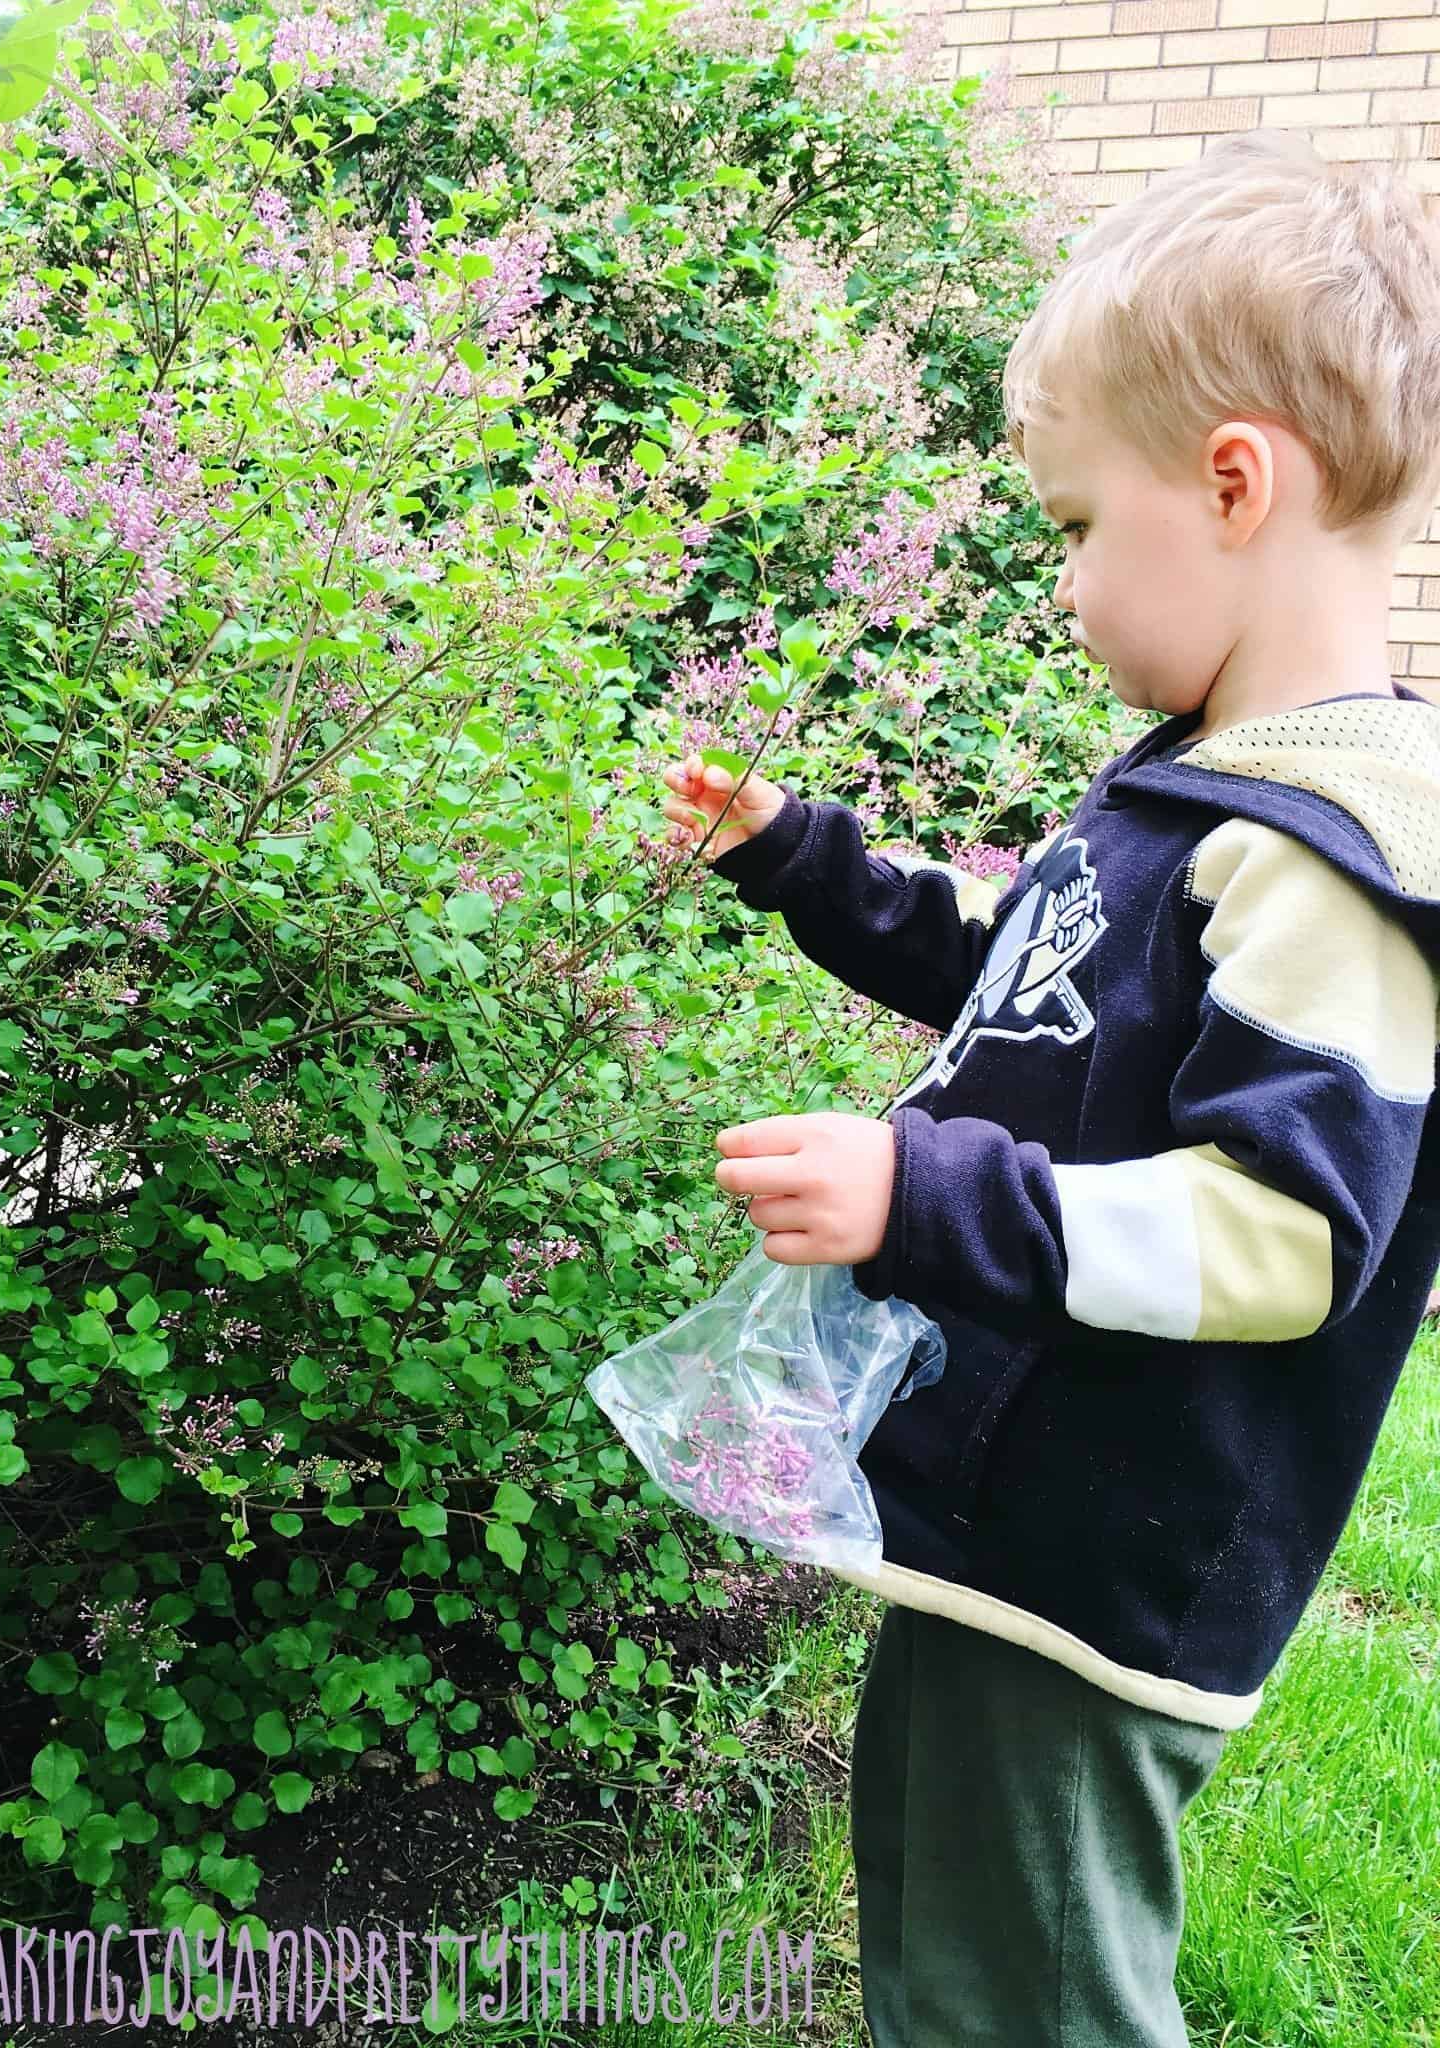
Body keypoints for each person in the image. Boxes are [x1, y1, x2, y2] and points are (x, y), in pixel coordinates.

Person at [661, 128, 1440, 2046]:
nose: (1067, 580)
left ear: (1237, 482)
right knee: (947, 1955)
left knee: (1047, 1996)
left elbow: (1280, 1239)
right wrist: (804, 861)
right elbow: (1025, 979)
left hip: (1109, 1561)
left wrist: (924, 1199)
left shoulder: (1328, 852)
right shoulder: (1194, 792)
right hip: (1004, 1519)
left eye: (1081, 526)